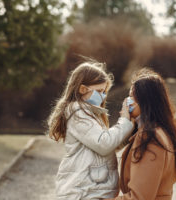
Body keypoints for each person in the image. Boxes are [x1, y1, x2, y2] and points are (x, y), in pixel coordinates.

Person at [47, 61, 134, 200]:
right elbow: (104, 144)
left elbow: (105, 147)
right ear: (82, 89)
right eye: (99, 91)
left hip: (92, 190)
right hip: (83, 192)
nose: (103, 96)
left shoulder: (90, 113)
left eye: (104, 91)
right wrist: (124, 121)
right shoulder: (77, 112)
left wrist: (128, 133)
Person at [112, 68, 176, 200]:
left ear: (145, 100)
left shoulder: (149, 137)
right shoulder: (162, 132)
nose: (127, 101)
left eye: (131, 96)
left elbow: (139, 197)